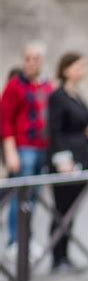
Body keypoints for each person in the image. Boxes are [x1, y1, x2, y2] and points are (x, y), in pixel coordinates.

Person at [47, 52, 88, 272]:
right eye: (79, 66)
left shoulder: (76, 95)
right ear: (66, 69)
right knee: (62, 209)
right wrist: (63, 160)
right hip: (66, 163)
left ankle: (65, 255)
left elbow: (82, 123)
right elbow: (55, 133)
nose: (83, 70)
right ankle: (57, 257)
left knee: (71, 211)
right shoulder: (58, 97)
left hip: (82, 158)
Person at [1, 42, 54, 260]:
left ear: (41, 61)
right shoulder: (15, 86)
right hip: (24, 149)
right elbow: (5, 121)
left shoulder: (47, 87)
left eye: (35, 58)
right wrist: (10, 152)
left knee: (35, 196)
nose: (31, 63)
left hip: (43, 149)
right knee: (20, 197)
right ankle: (15, 239)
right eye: (27, 58)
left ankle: (27, 236)